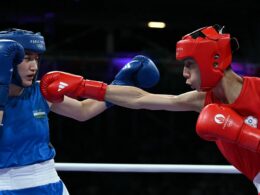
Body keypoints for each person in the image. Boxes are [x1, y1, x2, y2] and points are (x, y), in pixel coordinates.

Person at [41, 24, 260, 194]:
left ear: (212, 61)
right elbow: (141, 99)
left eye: (189, 64)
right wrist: (83, 87)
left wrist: (245, 135)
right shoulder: (202, 100)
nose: (184, 73)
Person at [0, 28, 160, 194]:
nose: (34, 67)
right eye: (26, 59)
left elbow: (83, 110)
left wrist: (119, 84)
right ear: (7, 61)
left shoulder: (41, 91)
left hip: (48, 182)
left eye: (36, 59)